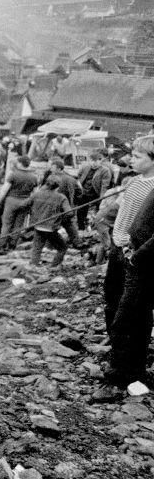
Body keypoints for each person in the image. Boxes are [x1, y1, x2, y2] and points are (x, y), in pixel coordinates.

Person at [101, 135, 154, 393]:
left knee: (131, 312)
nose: (131, 159)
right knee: (112, 299)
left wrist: (131, 249)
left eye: (138, 156)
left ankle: (126, 369)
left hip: (134, 252)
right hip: (118, 244)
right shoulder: (133, 182)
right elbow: (120, 210)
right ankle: (117, 351)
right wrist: (103, 218)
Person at [26, 179, 71, 268]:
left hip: (38, 226)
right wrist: (60, 220)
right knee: (62, 248)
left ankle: (34, 267)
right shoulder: (61, 197)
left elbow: (26, 204)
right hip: (51, 228)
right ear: (57, 187)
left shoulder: (37, 194)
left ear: (46, 185)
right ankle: (54, 267)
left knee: (37, 248)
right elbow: (69, 213)